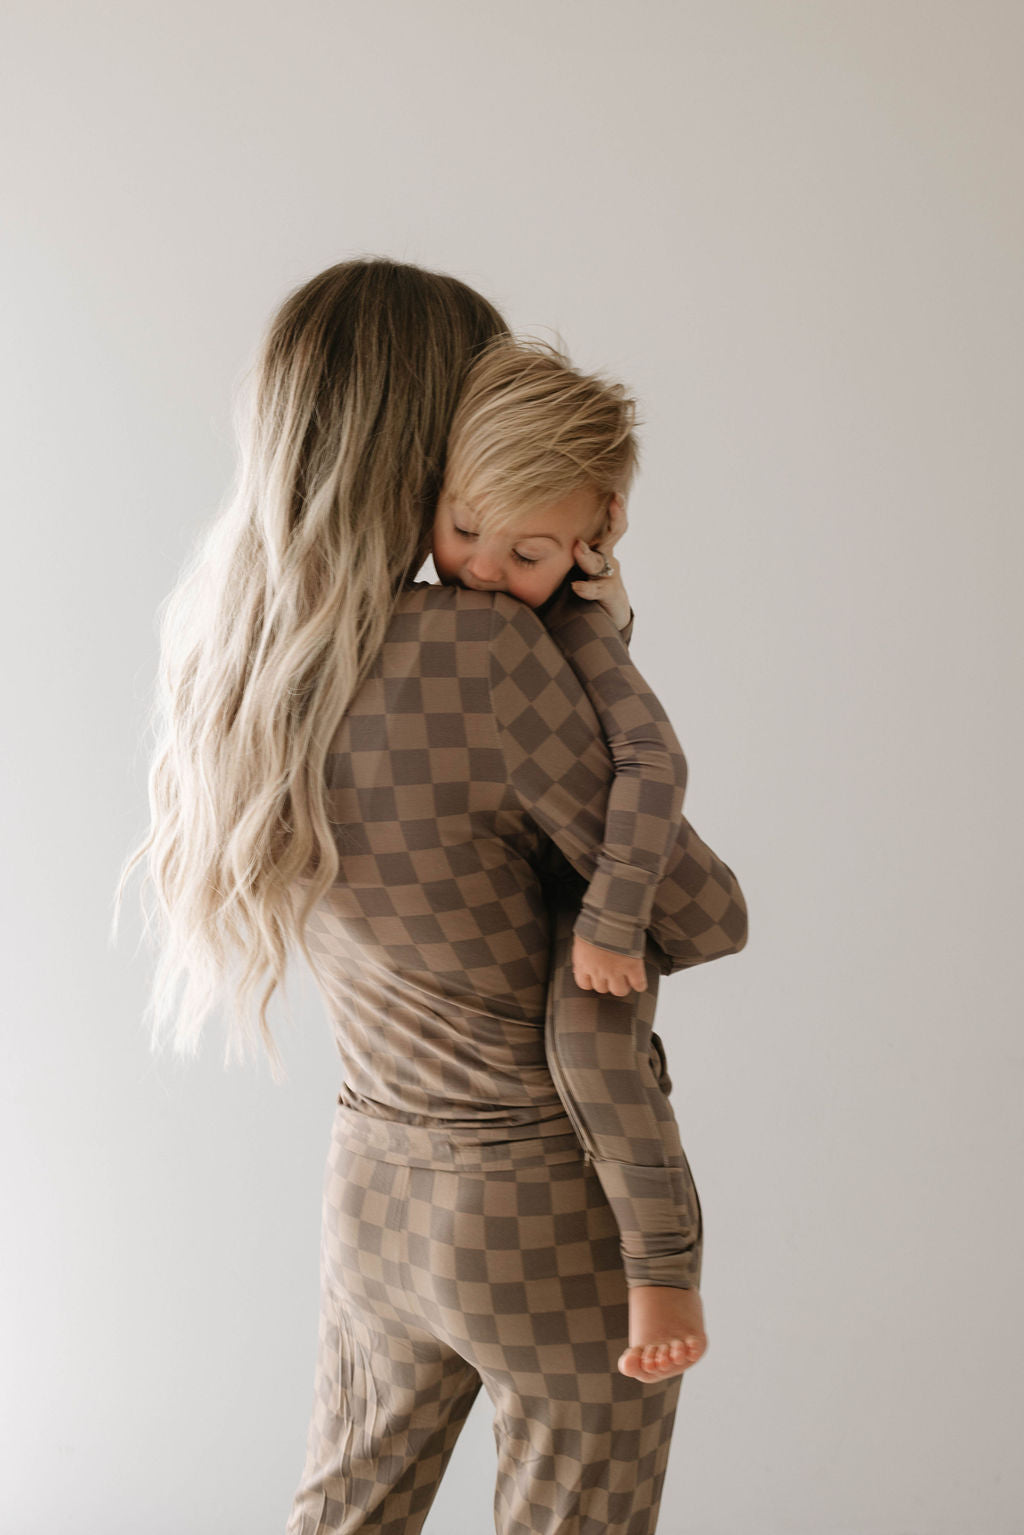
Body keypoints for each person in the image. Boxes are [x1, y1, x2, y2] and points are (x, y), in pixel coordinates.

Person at [114, 257, 748, 1535]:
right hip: (542, 1209)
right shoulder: (482, 651)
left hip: (373, 1196)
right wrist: (598, 645)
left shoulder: (243, 651)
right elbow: (702, 912)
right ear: (434, 433)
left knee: (342, 1518)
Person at [430, 336, 733, 1380]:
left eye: (528, 553)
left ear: (593, 537)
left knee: (597, 1050)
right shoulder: (445, 613)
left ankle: (661, 1270)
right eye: (465, 529)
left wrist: (610, 915)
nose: (481, 568)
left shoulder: (579, 630)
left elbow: (655, 761)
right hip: (516, 869)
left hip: (591, 891)